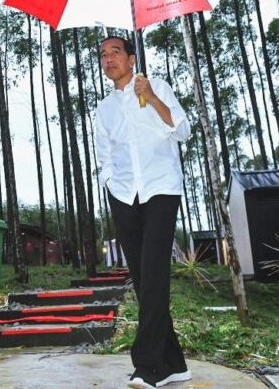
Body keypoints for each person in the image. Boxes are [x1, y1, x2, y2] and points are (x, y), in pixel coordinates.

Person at [95, 36, 192, 389]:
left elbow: (183, 130)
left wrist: (150, 97)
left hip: (161, 188)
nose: (108, 59)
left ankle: (149, 365)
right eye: (103, 55)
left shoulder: (157, 86)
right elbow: (103, 155)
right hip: (123, 194)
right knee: (142, 276)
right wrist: (109, 181)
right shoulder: (103, 109)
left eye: (115, 52)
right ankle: (175, 362)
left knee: (154, 274)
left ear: (132, 58)